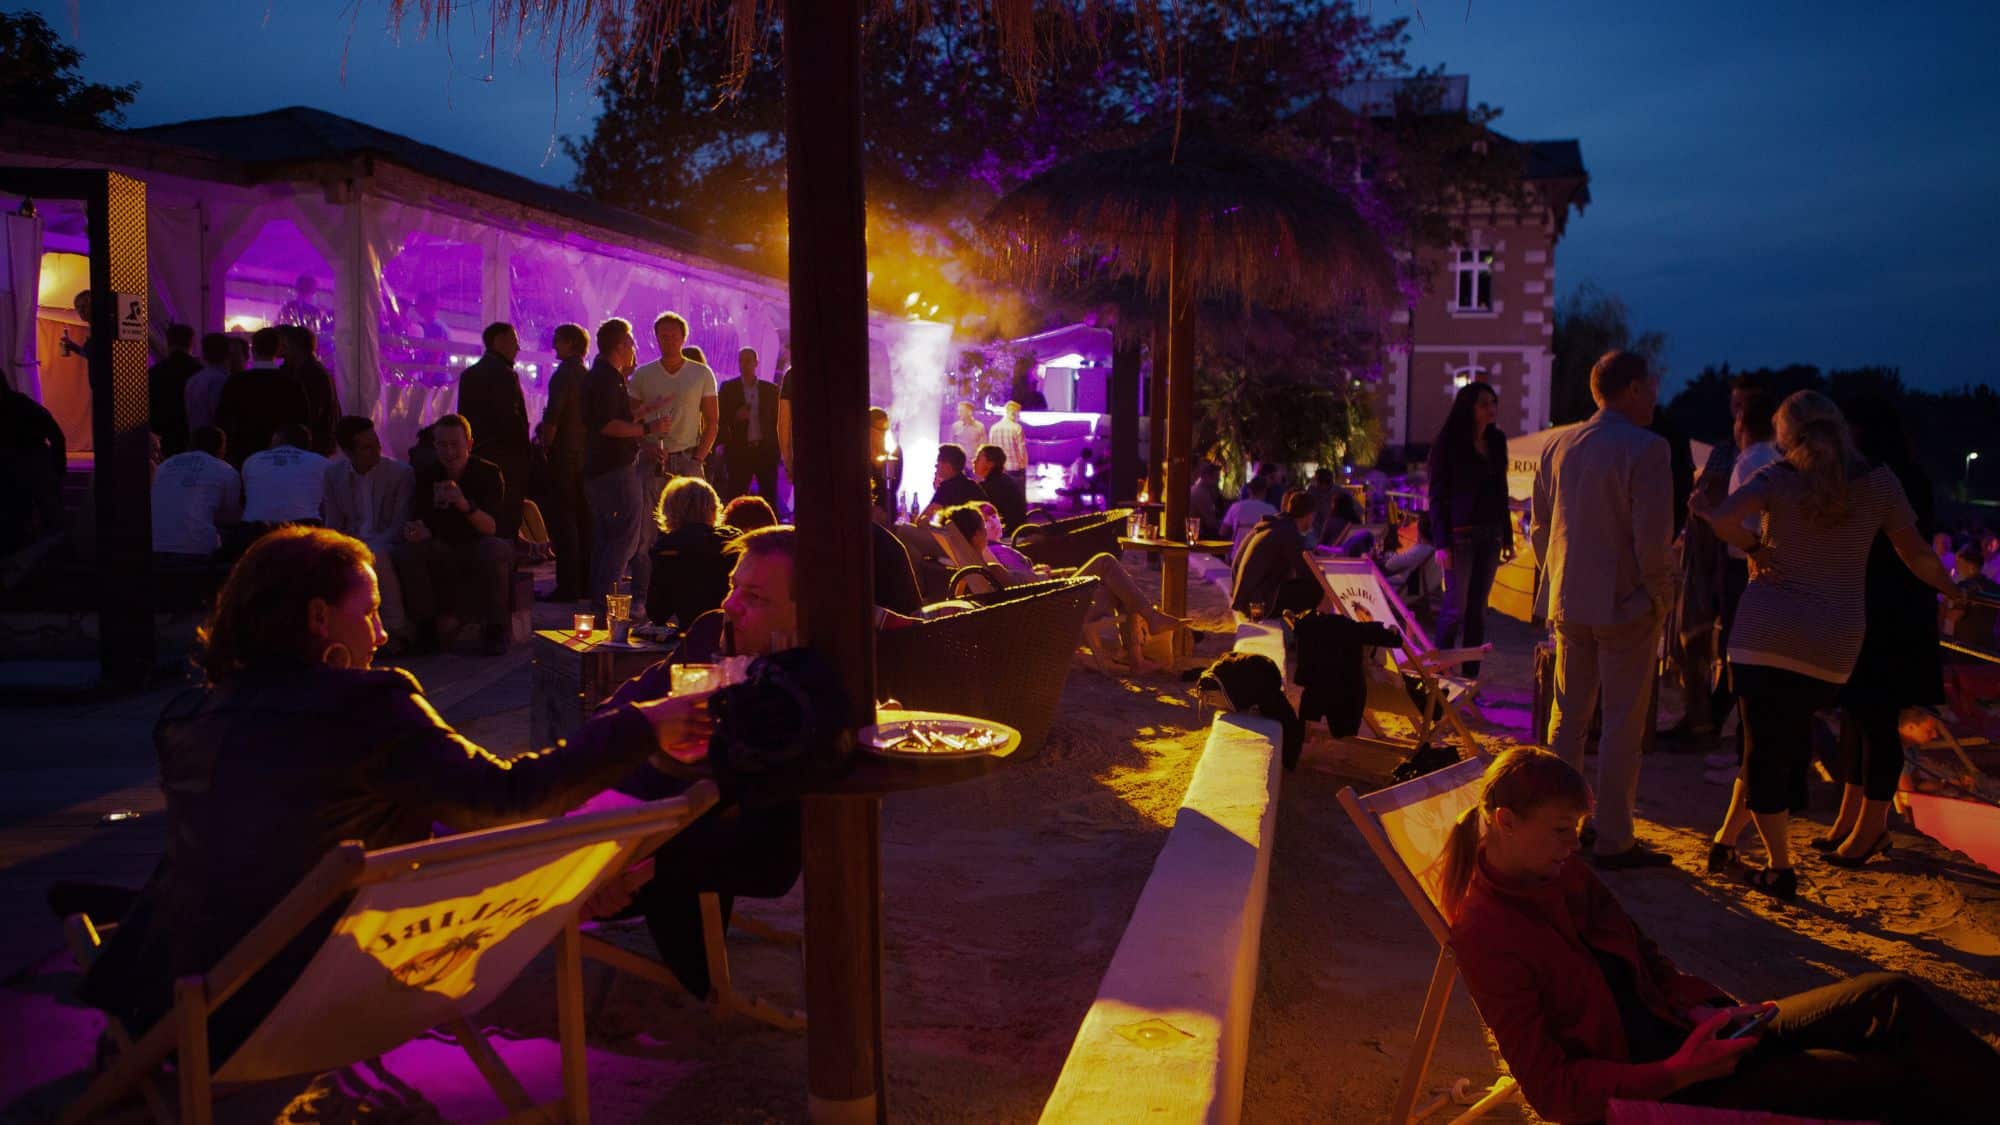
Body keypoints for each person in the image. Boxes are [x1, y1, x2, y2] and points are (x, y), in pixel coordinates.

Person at [74, 526, 713, 1063]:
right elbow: (507, 797)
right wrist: (638, 726)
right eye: (371, 610)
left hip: (172, 1011)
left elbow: (298, 831)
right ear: (319, 618)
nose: (381, 634)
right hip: (301, 1005)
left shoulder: (185, 717)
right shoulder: (364, 706)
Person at [1437, 748, 2000, 1125]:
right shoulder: (1487, 934)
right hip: (1660, 1079)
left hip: (1686, 1029)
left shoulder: (1560, 870)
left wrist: (1700, 1008)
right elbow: (1551, 1090)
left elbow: (1644, 955)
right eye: (1562, 831)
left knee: (1888, 996)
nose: (1573, 845)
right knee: (1880, 1075)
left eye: (1577, 831)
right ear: (1506, 822)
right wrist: (1678, 1072)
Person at [1690, 391, 1963, 899]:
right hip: (1833, 644)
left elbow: (1723, 518)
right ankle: (1726, 840)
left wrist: (1755, 548)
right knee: (1772, 744)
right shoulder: (1879, 484)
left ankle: (1779, 868)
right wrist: (1956, 591)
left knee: (1762, 749)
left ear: (1786, 436)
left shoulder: (1777, 479)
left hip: (1764, 633)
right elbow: (1919, 556)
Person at [1531, 350, 1675, 870]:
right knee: (1621, 723)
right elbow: (1653, 540)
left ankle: (1555, 828)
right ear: (1633, 388)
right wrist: (1660, 594)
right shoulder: (1648, 450)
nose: (1656, 394)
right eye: (1652, 384)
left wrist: (1559, 580)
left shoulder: (1558, 444)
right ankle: (1614, 835)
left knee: (1566, 719)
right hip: (1625, 603)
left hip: (1569, 598)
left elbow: (1540, 529)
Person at [1818, 397, 1943, 866]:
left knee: (1874, 719)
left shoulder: (1886, 482)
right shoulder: (1899, 478)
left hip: (1886, 617)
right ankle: (1854, 820)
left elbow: (1901, 550)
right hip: (1883, 611)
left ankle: (1870, 828)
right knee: (1859, 718)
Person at [943, 502, 1184, 670]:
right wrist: (1046, 578)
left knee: (1118, 582)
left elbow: (1023, 588)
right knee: (1107, 563)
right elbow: (1026, 592)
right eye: (984, 528)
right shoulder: (993, 570)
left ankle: (1138, 652)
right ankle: (1142, 640)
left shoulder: (982, 568)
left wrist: (1045, 575)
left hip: (1051, 601)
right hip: (1056, 611)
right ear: (976, 535)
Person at [395, 413, 512, 657]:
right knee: (408, 551)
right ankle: (426, 629)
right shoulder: (428, 474)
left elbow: (491, 527)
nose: (449, 452)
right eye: (442, 445)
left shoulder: (487, 473)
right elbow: (421, 518)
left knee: (494, 549)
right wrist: (417, 530)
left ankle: (496, 628)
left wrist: (462, 503)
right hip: (440, 544)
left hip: (476, 544)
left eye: (455, 445)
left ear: (468, 444)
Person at [628, 313, 719, 611]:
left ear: (683, 337)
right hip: (654, 458)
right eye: (662, 335)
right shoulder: (643, 375)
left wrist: (698, 459)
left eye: (672, 335)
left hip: (689, 456)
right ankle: (645, 597)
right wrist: (646, 444)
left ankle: (695, 597)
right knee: (646, 532)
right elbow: (632, 417)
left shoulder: (701, 373)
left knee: (697, 527)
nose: (667, 340)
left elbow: (713, 421)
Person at [1430, 381, 1512, 678]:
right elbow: (1437, 495)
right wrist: (1441, 542)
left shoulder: (1497, 440)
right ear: (1469, 407)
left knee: (1478, 611)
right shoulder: (1449, 442)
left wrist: (1507, 535)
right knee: (1455, 609)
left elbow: (1501, 489)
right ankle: (1440, 677)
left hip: (1490, 534)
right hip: (1459, 535)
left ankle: (1469, 681)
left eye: (1493, 402)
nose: (1491, 408)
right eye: (1484, 403)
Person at [323, 415, 416, 648]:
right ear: (348, 452)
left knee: (377, 555)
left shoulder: (400, 474)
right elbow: (333, 521)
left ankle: (396, 627)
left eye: (376, 444)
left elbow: (399, 523)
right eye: (367, 448)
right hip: (353, 540)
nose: (376, 451)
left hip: (387, 541)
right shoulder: (334, 476)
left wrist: (365, 547)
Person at [583, 318, 647, 612]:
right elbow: (607, 425)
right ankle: (607, 605)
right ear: (620, 345)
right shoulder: (607, 378)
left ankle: (599, 602)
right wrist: (647, 428)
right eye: (631, 343)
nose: (634, 348)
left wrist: (640, 414)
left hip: (598, 470)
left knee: (606, 538)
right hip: (615, 469)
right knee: (624, 539)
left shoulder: (605, 376)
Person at [456, 321, 533, 541]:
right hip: (508, 459)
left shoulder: (469, 375)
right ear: (498, 342)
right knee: (507, 516)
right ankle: (507, 566)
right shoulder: (505, 375)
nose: (518, 348)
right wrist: (525, 454)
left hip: (480, 454)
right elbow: (512, 421)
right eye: (514, 341)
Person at [538, 323, 593, 602]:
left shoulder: (563, 375)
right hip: (584, 456)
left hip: (563, 457)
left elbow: (553, 417)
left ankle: (567, 585)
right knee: (582, 521)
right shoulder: (586, 374)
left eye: (558, 340)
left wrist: (545, 444)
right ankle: (582, 582)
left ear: (570, 343)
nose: (553, 345)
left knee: (563, 522)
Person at [644, 476, 741, 628]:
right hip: (736, 626)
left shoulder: (668, 548)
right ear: (713, 507)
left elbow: (657, 612)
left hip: (695, 631)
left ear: (670, 509)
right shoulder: (734, 540)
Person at [216, 327, 309, 468]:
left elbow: (223, 419)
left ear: (253, 350)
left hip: (245, 453)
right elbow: (302, 420)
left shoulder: (237, 382)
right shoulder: (291, 383)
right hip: (283, 457)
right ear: (278, 350)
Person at [150, 426, 240, 563]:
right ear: (222, 448)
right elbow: (229, 518)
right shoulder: (225, 470)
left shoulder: (165, 465)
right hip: (197, 551)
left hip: (155, 547)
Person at [1230, 490, 1324, 620]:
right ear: (1309, 515)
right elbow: (1305, 571)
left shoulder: (1273, 525)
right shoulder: (1287, 532)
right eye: (1313, 516)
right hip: (1258, 605)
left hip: (1247, 600)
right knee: (1317, 588)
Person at [0, 381, 67, 558]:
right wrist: (59, 469)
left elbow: (56, 435)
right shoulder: (26, 405)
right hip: (36, 466)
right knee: (49, 519)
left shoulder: (21, 406)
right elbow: (57, 435)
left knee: (22, 519)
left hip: (23, 469)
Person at [717, 346, 780, 503]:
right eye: (740, 361)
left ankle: (771, 526)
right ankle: (732, 526)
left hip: (765, 451)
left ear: (756, 363)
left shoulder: (770, 390)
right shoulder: (728, 388)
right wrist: (736, 417)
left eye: (747, 361)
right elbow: (720, 417)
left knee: (769, 495)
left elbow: (777, 420)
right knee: (735, 495)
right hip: (739, 450)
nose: (743, 364)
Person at [239, 424, 328, 526]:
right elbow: (329, 506)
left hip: (255, 529)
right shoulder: (321, 462)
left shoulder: (252, 460)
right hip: (304, 529)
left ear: (277, 438)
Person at [278, 325, 340, 456]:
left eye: (285, 344)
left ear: (294, 346)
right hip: (314, 444)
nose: (282, 349)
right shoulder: (310, 369)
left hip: (312, 445)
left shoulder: (311, 372)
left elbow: (312, 411)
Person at [147, 324, 202, 457]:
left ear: (168, 341)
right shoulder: (199, 371)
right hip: (192, 436)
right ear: (192, 342)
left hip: (163, 436)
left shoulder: (155, 372)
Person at [182, 332, 240, 436]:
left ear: (203, 354)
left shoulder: (192, 380)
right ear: (228, 354)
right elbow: (222, 417)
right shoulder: (223, 381)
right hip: (216, 442)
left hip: (195, 439)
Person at [920, 443, 986, 521]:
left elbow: (923, 519)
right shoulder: (974, 486)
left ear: (948, 466)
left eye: (938, 462)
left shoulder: (946, 488)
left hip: (952, 532)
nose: (936, 466)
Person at [969, 444, 1026, 534]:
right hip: (1015, 530)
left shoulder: (993, 486)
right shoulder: (1003, 479)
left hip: (1007, 534)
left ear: (990, 464)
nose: (974, 461)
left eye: (978, 458)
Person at [1220, 475, 1277, 560]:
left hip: (1238, 555)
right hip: (1263, 557)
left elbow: (1222, 532)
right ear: (1265, 490)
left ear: (1249, 490)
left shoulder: (1236, 507)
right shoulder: (1272, 510)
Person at [988, 400, 1029, 490]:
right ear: (1013, 413)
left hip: (999, 469)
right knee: (1018, 497)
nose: (1018, 416)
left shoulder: (994, 428)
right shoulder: (1017, 427)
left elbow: (991, 449)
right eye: (1018, 413)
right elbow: (1022, 449)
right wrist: (1024, 466)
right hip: (1015, 469)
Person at [1189, 462, 1225, 540]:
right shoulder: (1200, 493)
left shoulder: (1201, 490)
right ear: (1206, 476)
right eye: (1216, 477)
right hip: (1199, 536)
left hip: (1198, 534)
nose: (1218, 480)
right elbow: (1210, 522)